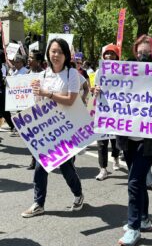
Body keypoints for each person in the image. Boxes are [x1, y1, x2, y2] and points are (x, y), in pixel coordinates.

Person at [21, 38, 84, 218]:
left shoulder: (72, 74)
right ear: (48, 53)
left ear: (66, 55)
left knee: (66, 168)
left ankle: (78, 194)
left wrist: (47, 93)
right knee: (41, 167)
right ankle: (38, 203)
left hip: (66, 128)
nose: (55, 55)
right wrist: (36, 95)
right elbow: (39, 103)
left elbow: (71, 100)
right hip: (47, 130)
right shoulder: (42, 75)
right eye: (53, 51)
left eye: (59, 52)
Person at [115, 35, 152, 246]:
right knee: (140, 179)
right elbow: (115, 95)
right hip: (129, 138)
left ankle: (134, 227)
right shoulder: (125, 72)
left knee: (134, 181)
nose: (142, 56)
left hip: (150, 139)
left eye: (147, 53)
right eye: (140, 52)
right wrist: (102, 92)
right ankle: (143, 219)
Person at [95, 44, 120, 181]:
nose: (109, 56)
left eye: (112, 54)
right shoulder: (99, 71)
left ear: (117, 57)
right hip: (103, 110)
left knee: (115, 141)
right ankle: (103, 169)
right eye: (107, 54)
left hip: (117, 112)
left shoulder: (122, 72)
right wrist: (96, 90)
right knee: (102, 142)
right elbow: (94, 88)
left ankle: (116, 157)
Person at [27, 50, 44, 169]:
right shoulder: (27, 74)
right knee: (32, 137)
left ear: (38, 62)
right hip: (29, 110)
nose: (28, 59)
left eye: (31, 58)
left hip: (42, 110)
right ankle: (34, 159)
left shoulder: (44, 75)